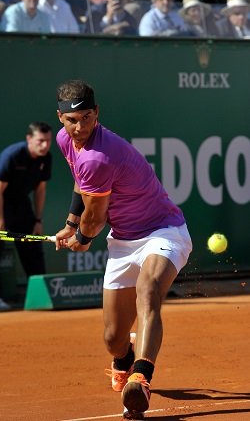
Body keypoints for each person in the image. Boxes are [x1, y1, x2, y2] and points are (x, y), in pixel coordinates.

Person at [54, 79, 192, 420]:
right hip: (123, 242)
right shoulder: (66, 142)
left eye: (87, 117)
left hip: (164, 231)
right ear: (61, 118)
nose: (80, 126)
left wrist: (82, 239)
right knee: (114, 337)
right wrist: (71, 224)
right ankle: (125, 360)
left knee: (148, 292)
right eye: (73, 120)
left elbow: (97, 219)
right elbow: (78, 179)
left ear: (96, 113)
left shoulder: (102, 155)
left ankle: (141, 378)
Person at [0, 121, 52, 311]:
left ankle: (40, 296)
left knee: (32, 241)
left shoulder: (46, 159)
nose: (45, 145)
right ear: (29, 139)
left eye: (48, 141)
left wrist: (38, 220)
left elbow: (40, 190)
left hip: (20, 201)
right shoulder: (12, 155)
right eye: (40, 141)